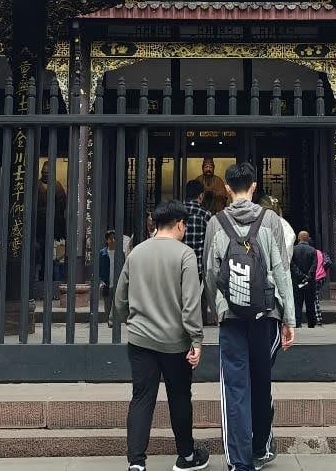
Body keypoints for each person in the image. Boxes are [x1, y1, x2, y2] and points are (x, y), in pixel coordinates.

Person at [203, 162, 295, 471]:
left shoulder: (216, 223)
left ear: (227, 188)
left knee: (235, 387)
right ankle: (260, 447)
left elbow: (211, 272)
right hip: (265, 315)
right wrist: (289, 319)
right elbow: (281, 271)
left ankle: (239, 462)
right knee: (261, 382)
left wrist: (219, 309)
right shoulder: (270, 220)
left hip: (232, 317)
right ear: (254, 186)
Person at [110, 200, 209, 471]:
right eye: (185, 225)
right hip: (175, 342)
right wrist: (196, 339)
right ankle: (187, 456)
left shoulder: (137, 253)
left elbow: (120, 299)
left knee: (142, 397)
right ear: (179, 224)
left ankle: (137, 463)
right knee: (179, 396)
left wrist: (124, 320)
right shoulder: (185, 254)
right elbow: (191, 303)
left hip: (140, 339)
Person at [182, 181, 214, 321]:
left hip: (178, 263)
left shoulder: (177, 213)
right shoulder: (205, 214)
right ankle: (200, 321)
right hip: (198, 265)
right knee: (200, 296)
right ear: (201, 196)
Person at [291, 230, 320, 329]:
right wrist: (308, 276)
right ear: (308, 239)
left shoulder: (293, 250)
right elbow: (314, 265)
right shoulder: (313, 250)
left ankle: (297, 322)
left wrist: (300, 275)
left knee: (297, 303)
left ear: (298, 238)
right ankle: (311, 323)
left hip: (297, 281)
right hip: (309, 282)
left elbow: (292, 265)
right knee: (310, 303)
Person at [99, 230, 118, 321]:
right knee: (107, 305)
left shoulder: (120, 253)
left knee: (117, 305)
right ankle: (109, 322)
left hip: (117, 283)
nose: (113, 240)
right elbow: (98, 268)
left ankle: (114, 322)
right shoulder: (102, 253)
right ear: (107, 240)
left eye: (114, 238)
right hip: (106, 283)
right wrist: (100, 281)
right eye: (111, 238)